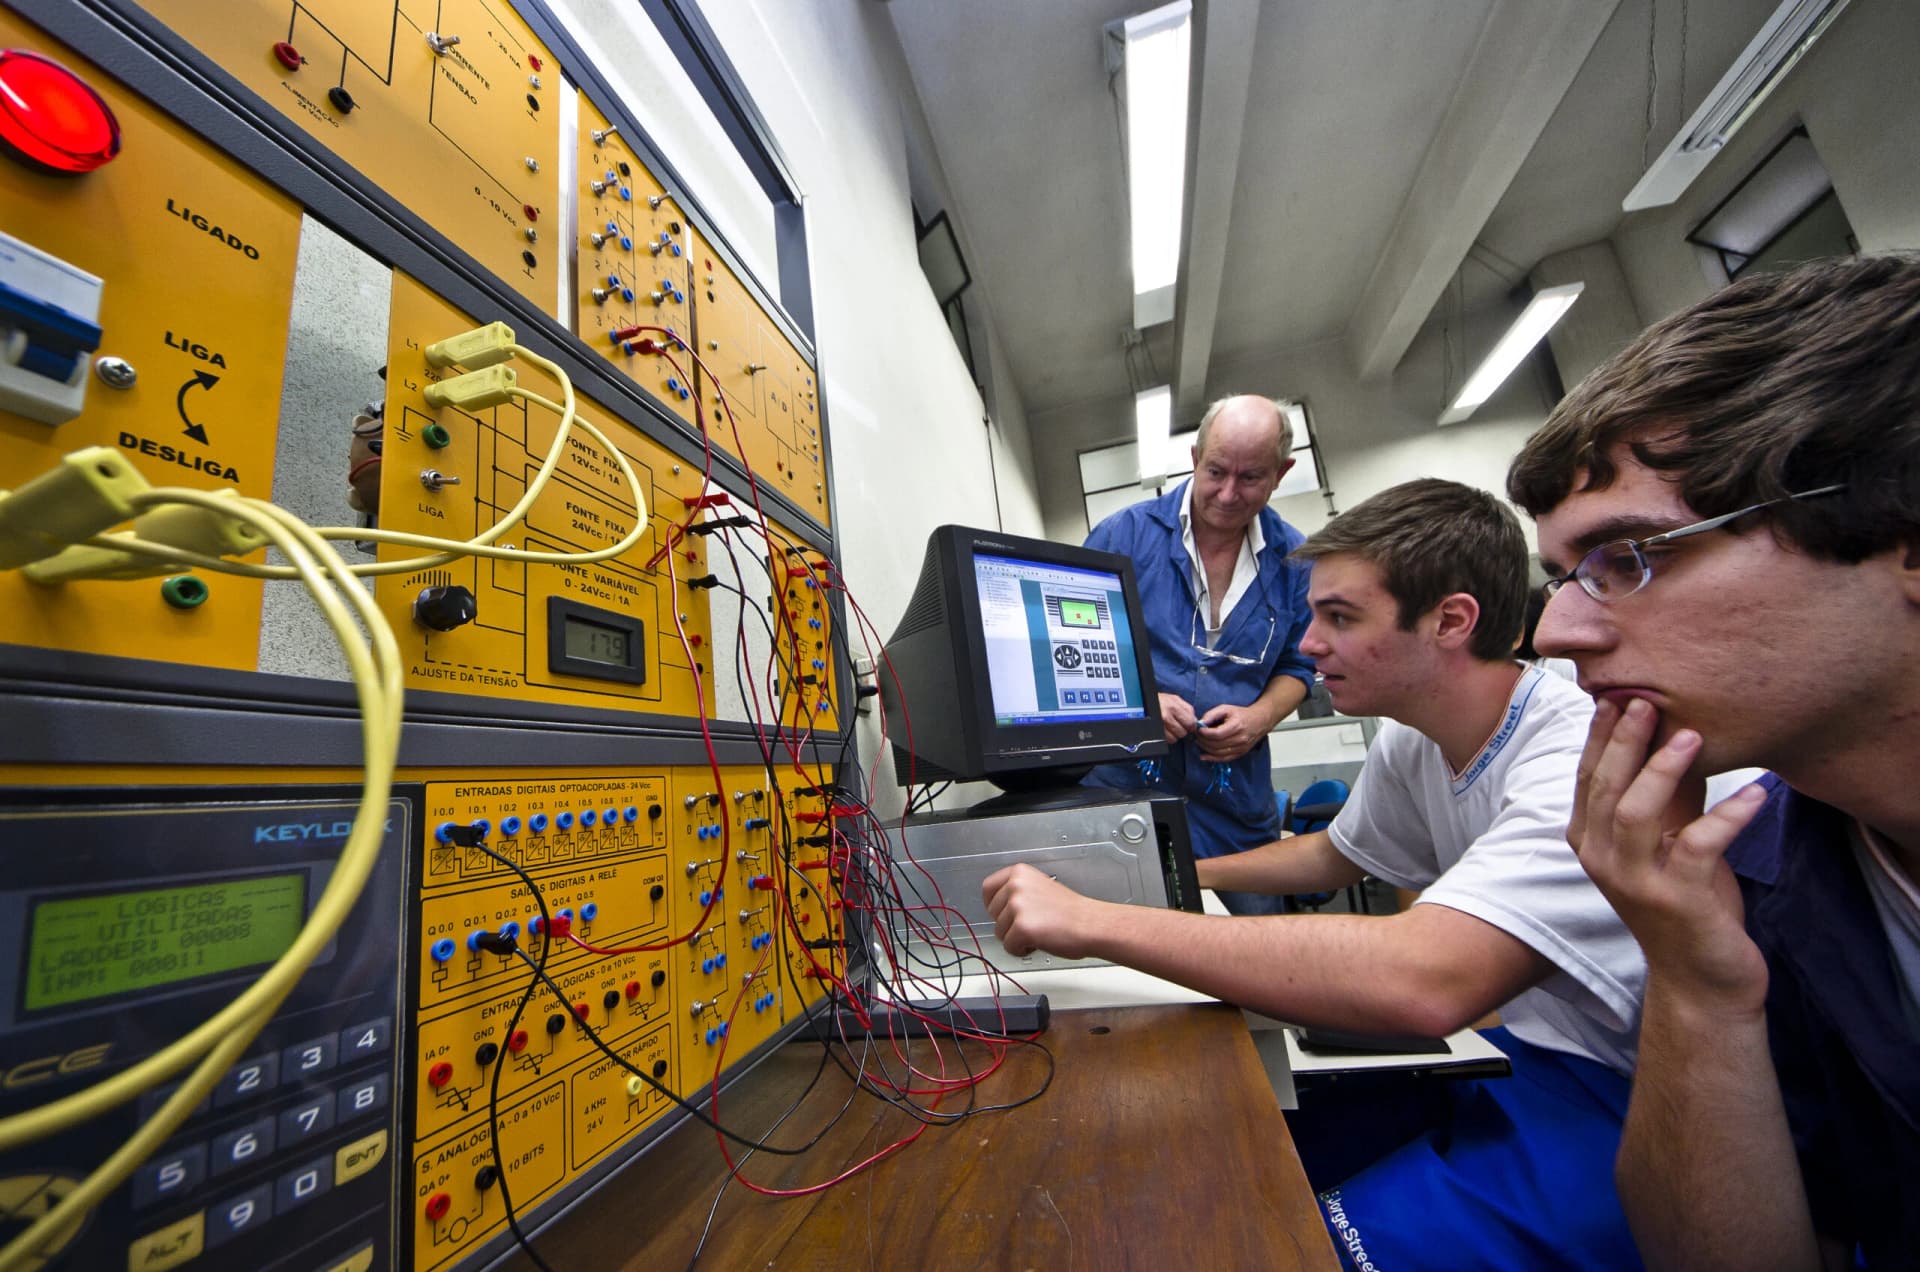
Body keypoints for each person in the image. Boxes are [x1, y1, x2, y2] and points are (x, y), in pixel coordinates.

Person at [987, 479, 1647, 1271]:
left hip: (1631, 1103)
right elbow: (1333, 855)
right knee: (1225, 1154)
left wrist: (1092, 920)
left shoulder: (1571, 752)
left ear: (1450, 621)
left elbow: (1427, 981)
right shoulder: (1417, 739)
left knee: (1289, 1245)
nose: (1308, 644)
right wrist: (1176, 875)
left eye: (1339, 618)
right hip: (1528, 1060)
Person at [1507, 253, 1920, 1271]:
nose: (1554, 632)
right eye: (1565, 576)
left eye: (1628, 560)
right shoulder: (1761, 882)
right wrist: (1692, 982)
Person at [1081, 394, 1315, 915]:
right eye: (1216, 471)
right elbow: (1071, 650)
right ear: (1193, 457)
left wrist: (1259, 716)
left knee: (1258, 962)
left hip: (1234, 804)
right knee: (1132, 954)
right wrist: (1140, 703)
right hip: (1126, 792)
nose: (1229, 494)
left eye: (1251, 477)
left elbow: (1299, 665)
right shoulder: (1123, 536)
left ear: (1282, 473)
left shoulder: (1296, 562)